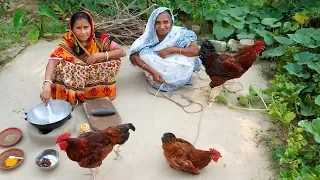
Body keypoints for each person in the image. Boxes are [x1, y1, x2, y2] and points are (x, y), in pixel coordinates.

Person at [40, 11, 126, 106]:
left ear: (91, 26)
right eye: (78, 28)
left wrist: (99, 55)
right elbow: (52, 61)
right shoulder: (68, 41)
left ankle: (99, 91)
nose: (83, 32)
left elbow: (122, 52)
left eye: (86, 27)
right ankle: (75, 94)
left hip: (95, 76)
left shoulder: (99, 38)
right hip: (76, 78)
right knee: (61, 65)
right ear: (72, 29)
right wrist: (47, 84)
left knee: (114, 61)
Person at [129, 7, 201, 92]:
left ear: (171, 22)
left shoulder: (179, 33)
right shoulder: (149, 36)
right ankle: (155, 76)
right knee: (143, 53)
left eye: (166, 22)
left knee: (188, 58)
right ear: (153, 24)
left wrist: (171, 49)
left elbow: (196, 51)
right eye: (157, 23)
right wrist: (152, 72)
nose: (162, 27)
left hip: (176, 63)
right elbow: (133, 56)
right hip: (157, 65)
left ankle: (175, 79)